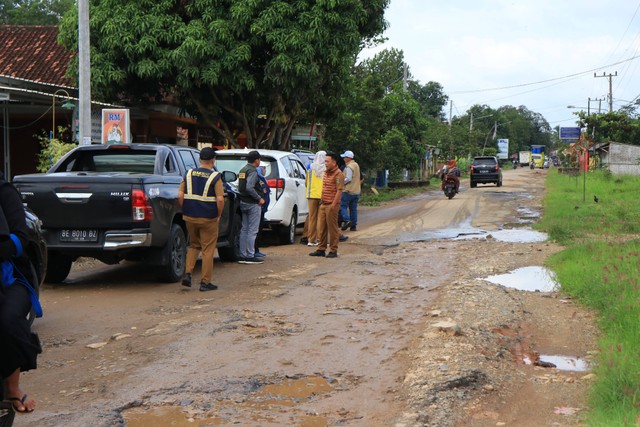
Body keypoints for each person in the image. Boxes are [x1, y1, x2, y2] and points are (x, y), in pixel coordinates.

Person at [0, 173, 41, 413]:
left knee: (7, 320)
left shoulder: (5, 193)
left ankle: (12, 387)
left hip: (11, 277)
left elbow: (18, 241)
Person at [178, 147, 225, 291]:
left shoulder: (188, 173)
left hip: (190, 217)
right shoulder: (215, 176)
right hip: (208, 218)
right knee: (208, 249)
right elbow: (220, 199)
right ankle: (205, 282)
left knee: (193, 245)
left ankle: (187, 274)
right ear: (212, 161)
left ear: (199, 160)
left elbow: (180, 195)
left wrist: (185, 209)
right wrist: (218, 214)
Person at [309, 152, 344, 258]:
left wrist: (334, 205)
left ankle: (333, 250)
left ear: (334, 162)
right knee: (321, 228)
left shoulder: (339, 174)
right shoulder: (325, 172)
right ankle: (321, 248)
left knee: (332, 228)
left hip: (331, 205)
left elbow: (339, 190)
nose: (326, 164)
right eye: (325, 161)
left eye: (327, 161)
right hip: (323, 204)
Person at [237, 150, 265, 264]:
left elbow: (241, 187)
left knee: (244, 229)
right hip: (253, 203)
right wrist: (259, 198)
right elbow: (249, 187)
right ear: (256, 160)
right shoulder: (252, 171)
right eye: (259, 160)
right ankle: (250, 255)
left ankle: (242, 254)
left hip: (243, 202)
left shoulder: (243, 169)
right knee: (252, 230)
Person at [301, 151, 326, 246]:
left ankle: (311, 240)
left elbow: (306, 182)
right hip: (322, 196)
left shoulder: (309, 167)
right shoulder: (326, 168)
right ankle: (320, 239)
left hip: (311, 195)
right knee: (321, 219)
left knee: (312, 218)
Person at [339, 150, 361, 231]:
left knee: (343, 206)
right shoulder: (356, 165)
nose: (344, 158)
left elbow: (348, 178)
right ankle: (353, 225)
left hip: (348, 190)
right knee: (353, 209)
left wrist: (340, 183)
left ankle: (346, 220)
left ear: (348, 158)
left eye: (345, 157)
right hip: (356, 191)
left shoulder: (349, 167)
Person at [254, 165, 270, 257]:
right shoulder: (258, 178)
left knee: (259, 229)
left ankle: (256, 249)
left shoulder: (262, 178)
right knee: (256, 229)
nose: (265, 171)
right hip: (258, 207)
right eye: (265, 168)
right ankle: (254, 250)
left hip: (262, 208)